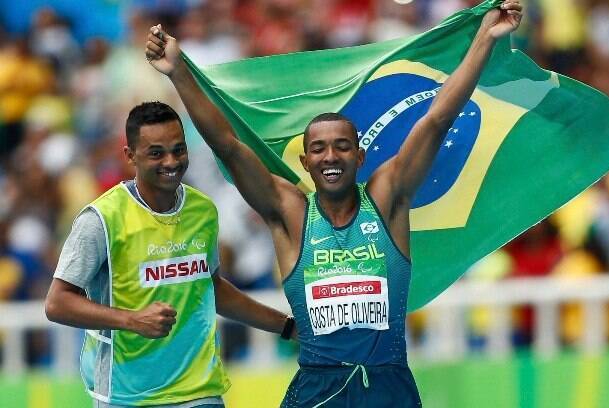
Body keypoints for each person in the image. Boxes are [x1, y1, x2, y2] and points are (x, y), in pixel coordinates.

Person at [145, 1, 523, 406]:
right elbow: (228, 146)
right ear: (305, 163)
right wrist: (179, 72)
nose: (330, 157)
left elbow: (435, 120)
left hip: (388, 388)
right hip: (317, 392)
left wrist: (484, 37)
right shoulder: (289, 211)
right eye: (319, 149)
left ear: (360, 158)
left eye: (343, 147)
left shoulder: (386, 198)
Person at [45, 101, 295, 408]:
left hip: (199, 391)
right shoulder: (101, 219)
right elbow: (57, 303)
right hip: (126, 396)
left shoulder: (202, 211)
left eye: (179, 149)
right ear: (130, 156)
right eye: (156, 153)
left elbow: (211, 289)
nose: (171, 161)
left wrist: (286, 326)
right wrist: (132, 320)